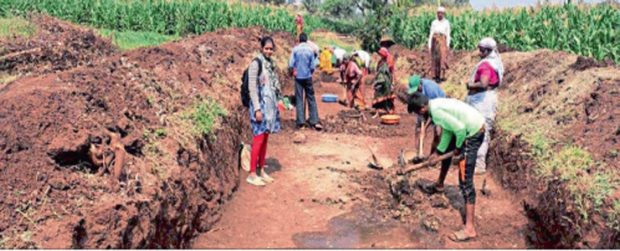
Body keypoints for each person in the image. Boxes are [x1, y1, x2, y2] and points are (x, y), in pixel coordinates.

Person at [408, 93, 485, 242]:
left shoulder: (436, 112)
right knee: (448, 149)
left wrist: (457, 149)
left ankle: (470, 229)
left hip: (473, 132)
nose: (421, 118)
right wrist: (438, 152)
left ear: (422, 109)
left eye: (418, 113)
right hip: (471, 126)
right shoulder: (435, 105)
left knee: (465, 180)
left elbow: (460, 130)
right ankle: (439, 185)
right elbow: (449, 130)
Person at [465, 37, 504, 175]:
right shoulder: (494, 63)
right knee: (480, 130)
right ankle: (473, 161)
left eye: (481, 50)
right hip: (486, 101)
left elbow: (483, 84)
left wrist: (470, 85)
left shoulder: (486, 65)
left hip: (482, 102)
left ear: (487, 51)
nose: (479, 52)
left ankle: (479, 164)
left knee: (480, 131)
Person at [247, 36, 282, 186]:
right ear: (261, 48)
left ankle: (261, 170)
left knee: (265, 139)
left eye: (271, 49)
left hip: (269, 107)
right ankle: (252, 173)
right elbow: (252, 88)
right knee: (258, 139)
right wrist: (256, 109)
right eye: (266, 48)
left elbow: (273, 86)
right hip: (259, 107)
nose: (269, 51)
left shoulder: (271, 65)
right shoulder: (256, 64)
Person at [289, 33, 322, 130]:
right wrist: (309, 73)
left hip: (298, 77)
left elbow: (290, 64)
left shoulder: (295, 49)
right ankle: (314, 120)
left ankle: (301, 122)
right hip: (307, 76)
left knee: (299, 98)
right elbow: (312, 66)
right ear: (306, 40)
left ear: (299, 40)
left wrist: (294, 72)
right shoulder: (310, 50)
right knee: (311, 97)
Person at [407, 75, 446, 153]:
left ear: (420, 85)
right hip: (424, 107)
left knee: (437, 132)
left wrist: (425, 127)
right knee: (418, 129)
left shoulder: (431, 88)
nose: (415, 92)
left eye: (416, 89)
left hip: (439, 109)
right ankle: (418, 153)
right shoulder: (413, 89)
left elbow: (434, 111)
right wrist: (422, 127)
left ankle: (433, 155)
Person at [428, 6, 451, 82]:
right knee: (435, 58)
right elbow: (431, 33)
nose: (440, 14)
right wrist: (429, 45)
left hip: (442, 40)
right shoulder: (434, 22)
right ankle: (435, 76)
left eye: (441, 13)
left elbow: (448, 34)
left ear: (444, 14)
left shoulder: (446, 22)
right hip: (434, 41)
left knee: (442, 58)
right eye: (438, 13)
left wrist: (447, 45)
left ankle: (441, 76)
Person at [372, 47, 396, 114]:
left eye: (381, 54)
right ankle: (381, 108)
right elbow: (378, 70)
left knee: (388, 95)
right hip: (381, 80)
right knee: (379, 93)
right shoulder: (381, 61)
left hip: (388, 80)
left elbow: (391, 71)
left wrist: (393, 82)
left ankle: (389, 109)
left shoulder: (390, 59)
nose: (380, 56)